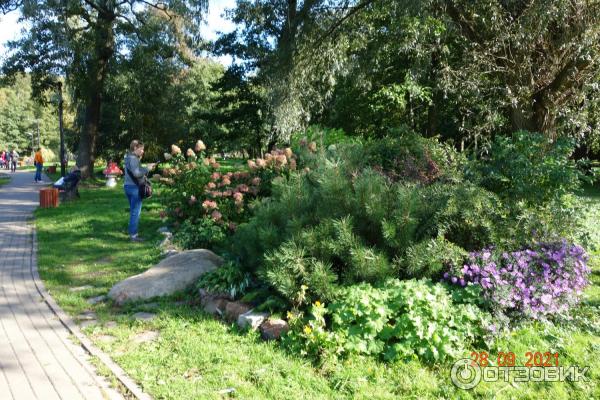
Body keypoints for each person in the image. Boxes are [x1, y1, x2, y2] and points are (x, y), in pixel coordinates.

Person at [124, 140, 154, 242]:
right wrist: (147, 169)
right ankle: (134, 236)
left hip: (128, 187)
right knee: (135, 212)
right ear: (135, 148)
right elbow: (137, 174)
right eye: (141, 149)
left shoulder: (128, 157)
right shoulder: (133, 159)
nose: (143, 151)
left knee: (133, 211)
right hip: (134, 188)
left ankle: (132, 231)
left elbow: (135, 171)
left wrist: (145, 167)